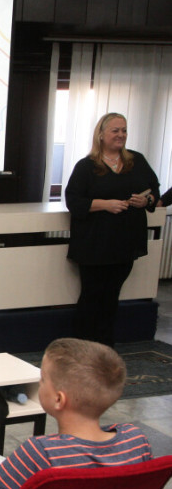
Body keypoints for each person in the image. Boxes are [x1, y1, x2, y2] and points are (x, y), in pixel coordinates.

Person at [0, 337, 152, 489]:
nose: (40, 383)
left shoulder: (41, 453)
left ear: (58, 399)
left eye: (42, 379)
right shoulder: (136, 441)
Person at [65, 112, 159, 347]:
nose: (121, 135)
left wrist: (145, 201)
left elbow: (154, 190)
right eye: (115, 130)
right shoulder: (86, 166)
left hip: (125, 243)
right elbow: (74, 201)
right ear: (101, 134)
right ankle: (82, 348)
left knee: (111, 297)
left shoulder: (136, 161)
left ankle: (105, 348)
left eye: (124, 130)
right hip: (95, 244)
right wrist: (105, 205)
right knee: (92, 297)